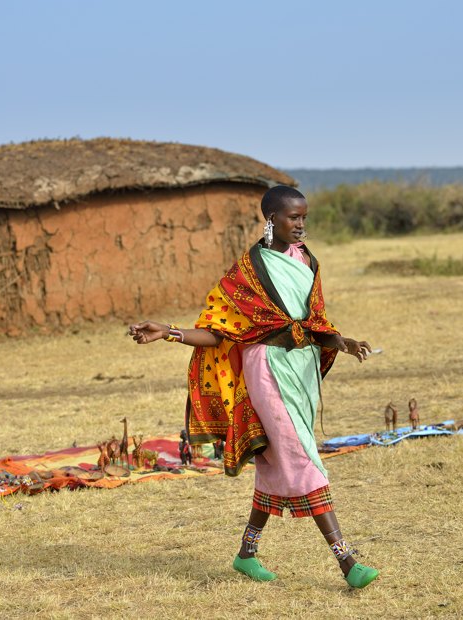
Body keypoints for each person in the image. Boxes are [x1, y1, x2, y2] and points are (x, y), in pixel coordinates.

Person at [129, 185, 379, 589]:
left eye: (304, 217)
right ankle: (347, 561)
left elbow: (314, 322)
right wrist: (168, 332)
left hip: (301, 370)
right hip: (265, 370)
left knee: (275, 461)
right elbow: (218, 332)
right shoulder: (248, 270)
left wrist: (343, 342)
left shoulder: (307, 260)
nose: (300, 225)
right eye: (292, 218)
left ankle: (247, 553)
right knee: (301, 456)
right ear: (271, 220)